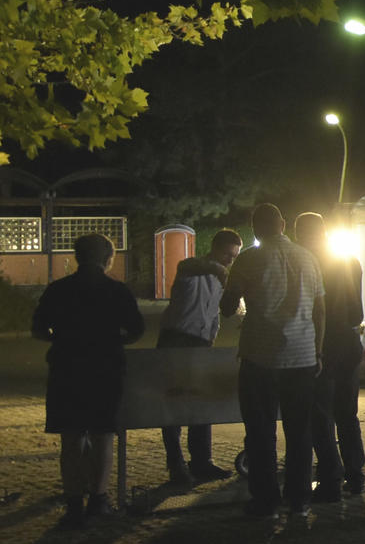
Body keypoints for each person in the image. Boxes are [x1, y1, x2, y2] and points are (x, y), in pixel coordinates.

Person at [221, 204, 325, 524]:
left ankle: (266, 502)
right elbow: (320, 309)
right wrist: (318, 351)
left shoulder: (248, 259)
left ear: (255, 228)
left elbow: (227, 307)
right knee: (300, 431)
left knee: (260, 431)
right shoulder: (308, 258)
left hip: (260, 358)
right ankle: (300, 500)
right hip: (302, 356)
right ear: (283, 224)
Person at [33, 234, 146, 527]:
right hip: (105, 369)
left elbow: (38, 329)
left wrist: (62, 339)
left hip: (66, 369)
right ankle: (98, 500)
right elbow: (136, 329)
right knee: (102, 435)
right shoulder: (116, 291)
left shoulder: (58, 290)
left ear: (77, 257)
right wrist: (113, 341)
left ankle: (73, 504)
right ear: (108, 259)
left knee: (71, 438)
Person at [157, 228, 242, 485]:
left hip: (202, 342)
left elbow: (218, 312)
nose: (229, 261)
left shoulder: (219, 277)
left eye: (234, 257)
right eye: (227, 255)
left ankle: (201, 461)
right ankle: (176, 464)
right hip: (176, 338)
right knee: (173, 403)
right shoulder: (192, 268)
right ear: (215, 249)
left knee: (202, 401)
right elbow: (188, 265)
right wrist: (218, 270)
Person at [292, 212, 365, 499]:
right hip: (349, 341)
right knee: (348, 413)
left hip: (320, 343)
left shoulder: (305, 263)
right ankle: (356, 475)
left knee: (321, 414)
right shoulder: (350, 261)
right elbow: (357, 313)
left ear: (300, 234)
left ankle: (330, 480)